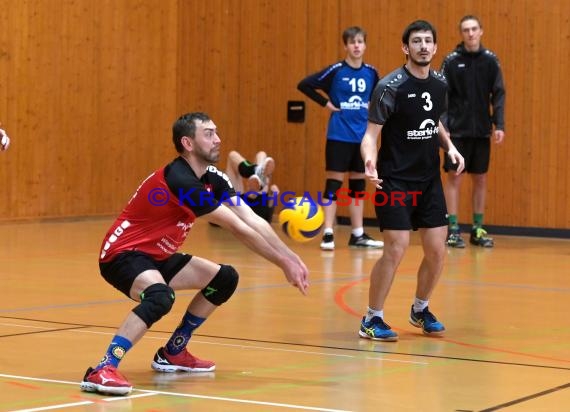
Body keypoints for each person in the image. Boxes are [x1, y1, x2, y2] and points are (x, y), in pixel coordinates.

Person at [80, 112, 309, 396]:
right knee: (160, 297)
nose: (218, 139)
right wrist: (283, 263)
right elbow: (237, 227)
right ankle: (103, 368)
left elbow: (251, 218)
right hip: (122, 254)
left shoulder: (212, 177)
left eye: (217, 132)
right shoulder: (181, 180)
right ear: (188, 142)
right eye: (209, 134)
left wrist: (290, 256)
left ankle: (173, 352)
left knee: (225, 278)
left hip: (158, 256)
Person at [358, 20, 465, 341]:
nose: (422, 46)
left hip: (429, 178)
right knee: (396, 247)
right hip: (394, 180)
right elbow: (370, 135)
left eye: (428, 41)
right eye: (416, 41)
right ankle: (371, 318)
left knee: (437, 249)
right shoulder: (389, 87)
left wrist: (451, 146)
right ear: (406, 48)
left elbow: (434, 123)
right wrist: (369, 160)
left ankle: (420, 309)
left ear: (434, 48)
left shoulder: (440, 84)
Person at [297, 26, 383, 251]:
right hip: (339, 135)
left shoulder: (372, 72)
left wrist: (371, 106)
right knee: (334, 183)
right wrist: (326, 104)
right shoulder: (336, 70)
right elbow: (305, 84)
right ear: (345, 45)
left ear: (365, 45)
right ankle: (328, 232)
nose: (356, 45)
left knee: (357, 184)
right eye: (352, 42)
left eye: (360, 41)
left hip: (362, 137)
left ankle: (357, 234)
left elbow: (382, 95)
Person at [440, 15, 505, 248]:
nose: (470, 33)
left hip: (481, 131)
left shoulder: (490, 61)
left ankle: (477, 229)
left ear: (481, 31)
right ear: (461, 34)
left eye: (474, 29)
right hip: (456, 131)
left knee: (480, 178)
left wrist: (499, 124)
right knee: (454, 177)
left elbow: (498, 93)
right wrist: (444, 124)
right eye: (466, 30)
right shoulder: (451, 61)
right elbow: (442, 95)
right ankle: (453, 229)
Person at [223, 150, 279, 223]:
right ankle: (256, 170)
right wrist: (273, 196)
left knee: (232, 155)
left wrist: (273, 196)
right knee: (261, 154)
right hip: (242, 208)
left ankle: (253, 170)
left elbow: (268, 218)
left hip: (240, 210)